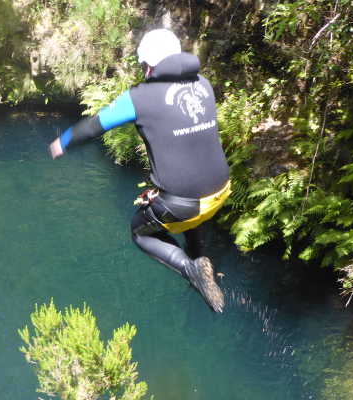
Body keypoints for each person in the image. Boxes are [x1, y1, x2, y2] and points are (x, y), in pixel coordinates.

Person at [48, 29, 231, 312]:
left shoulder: (141, 97)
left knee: (140, 233)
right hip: (221, 190)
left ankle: (192, 270)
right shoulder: (203, 84)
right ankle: (200, 258)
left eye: (144, 66)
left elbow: (95, 126)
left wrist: (63, 141)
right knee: (188, 215)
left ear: (149, 65)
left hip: (186, 203)